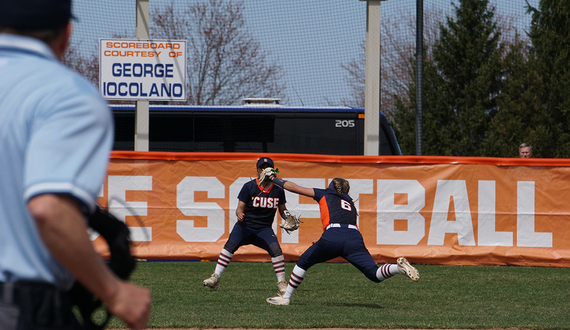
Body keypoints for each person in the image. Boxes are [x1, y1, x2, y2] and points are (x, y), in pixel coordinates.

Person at [0, 0, 151, 329]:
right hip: (18, 308)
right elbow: (48, 209)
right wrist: (114, 292)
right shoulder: (67, 95)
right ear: (66, 34)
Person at [266, 176, 420, 306]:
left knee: (303, 262)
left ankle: (286, 298)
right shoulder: (350, 202)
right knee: (374, 274)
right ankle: (397, 268)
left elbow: (293, 187)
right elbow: (340, 222)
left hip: (333, 236)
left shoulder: (325, 194)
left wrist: (274, 179)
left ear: (331, 187)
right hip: (353, 237)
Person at [203, 157, 290, 294]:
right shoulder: (249, 186)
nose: (264, 170)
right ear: (257, 171)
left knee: (276, 250)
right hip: (245, 226)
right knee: (229, 246)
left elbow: (282, 209)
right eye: (262, 168)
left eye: (268, 167)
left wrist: (287, 217)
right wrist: (239, 214)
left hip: (264, 228)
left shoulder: (278, 189)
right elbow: (240, 208)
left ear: (273, 170)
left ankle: (282, 283)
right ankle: (216, 277)